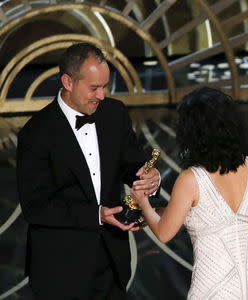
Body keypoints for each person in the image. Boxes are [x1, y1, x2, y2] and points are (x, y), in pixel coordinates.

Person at [16, 43, 160, 299]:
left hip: (112, 262)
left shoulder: (114, 113)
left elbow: (132, 163)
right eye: (94, 88)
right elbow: (35, 206)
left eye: (105, 86)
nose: (102, 95)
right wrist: (97, 214)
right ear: (68, 82)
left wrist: (149, 176)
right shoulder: (36, 133)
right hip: (61, 269)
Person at [131, 87, 248, 299]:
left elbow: (164, 232)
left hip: (215, 282)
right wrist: (159, 210)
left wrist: (143, 203)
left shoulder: (191, 178)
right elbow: (210, 214)